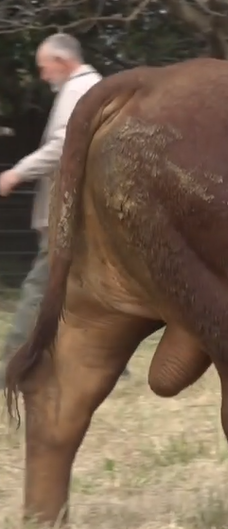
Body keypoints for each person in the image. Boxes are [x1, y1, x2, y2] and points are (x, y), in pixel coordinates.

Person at [0, 33, 129, 380]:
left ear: (61, 61)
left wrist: (16, 173)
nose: (43, 76)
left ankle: (14, 360)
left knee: (40, 286)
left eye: (44, 68)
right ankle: (118, 365)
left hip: (67, 210)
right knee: (92, 290)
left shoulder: (78, 91)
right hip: (88, 209)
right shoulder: (97, 86)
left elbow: (63, 145)